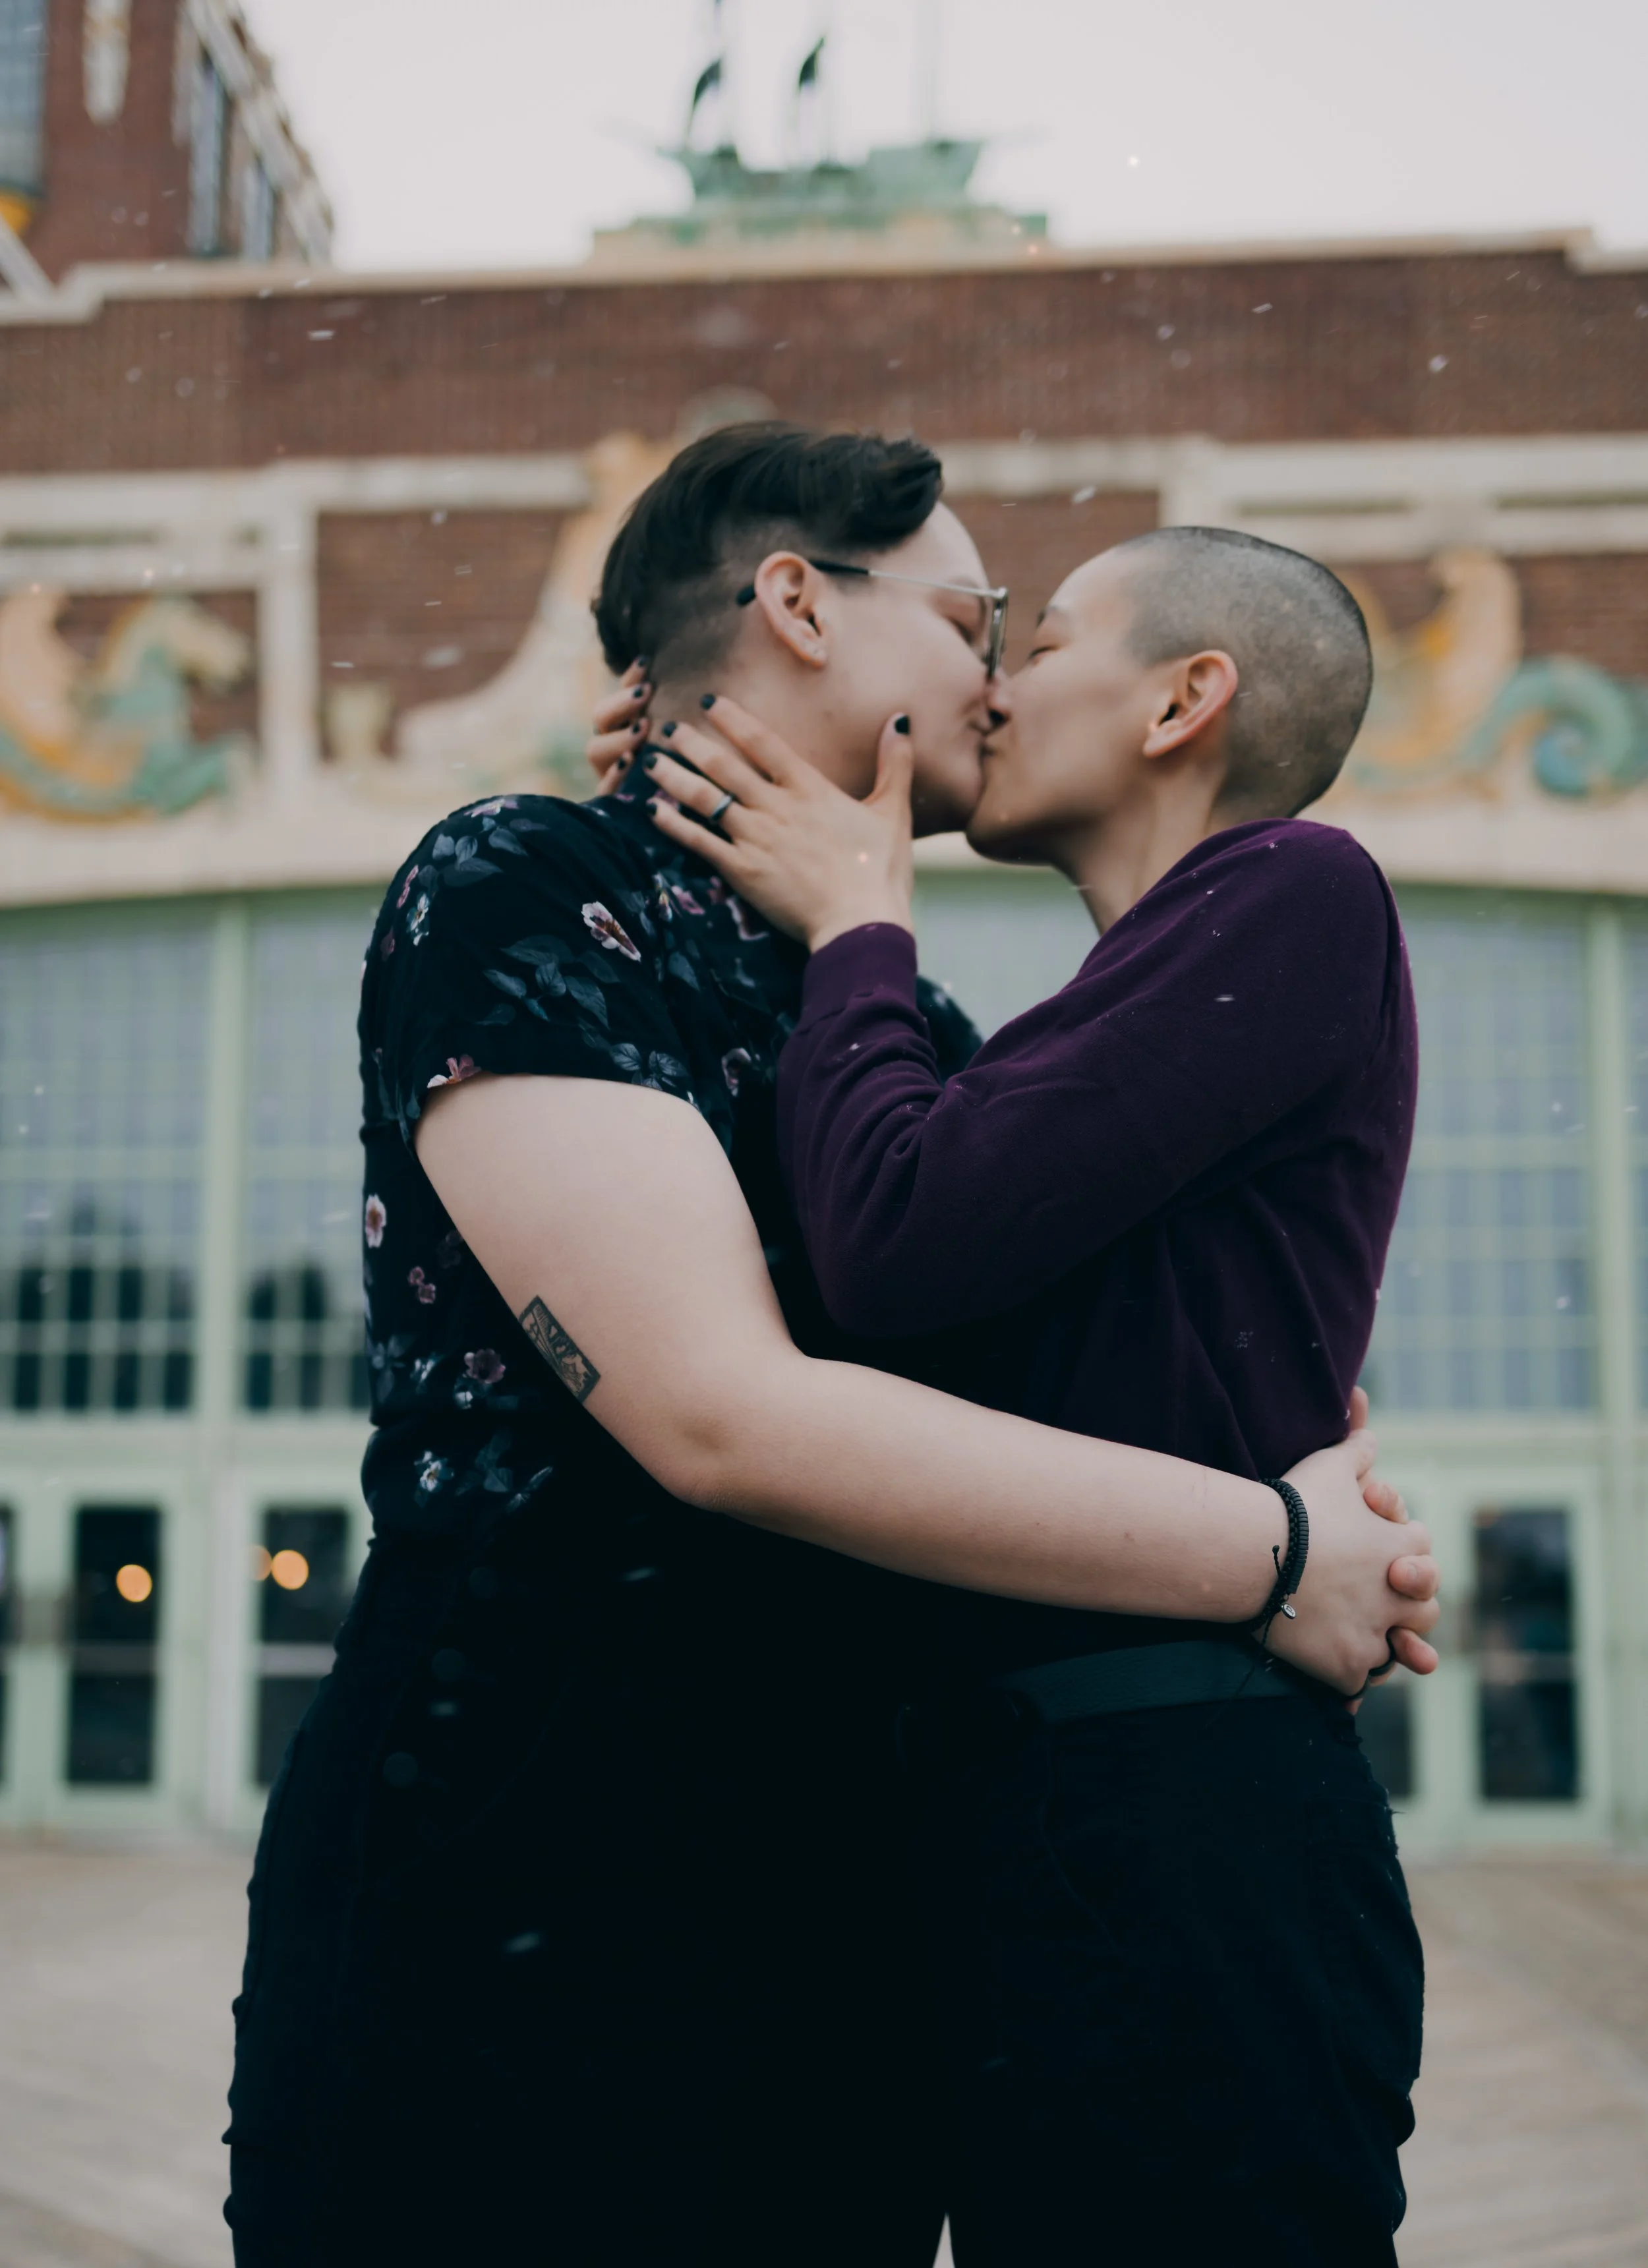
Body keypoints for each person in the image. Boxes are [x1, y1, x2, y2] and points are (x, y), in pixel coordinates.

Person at [224, 428, 1438, 2267]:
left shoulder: (904, 1012)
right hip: (543, 1838)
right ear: (797, 599)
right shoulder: (530, 884)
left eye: (1031, 638)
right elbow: (722, 1420)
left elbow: (1047, 1332)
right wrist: (1274, 1554)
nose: (997, 675)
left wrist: (1292, 1443)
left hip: (865, 1877)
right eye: (979, 619)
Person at [637, 522, 1427, 2265]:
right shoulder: (1104, 1015)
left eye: (1045, 642)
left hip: (1174, 1822)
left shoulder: (1296, 887)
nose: (992, 684)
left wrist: (854, 919)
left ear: (1183, 701)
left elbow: (900, 1242)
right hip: (1044, 1820)